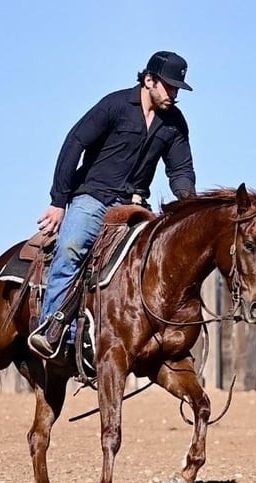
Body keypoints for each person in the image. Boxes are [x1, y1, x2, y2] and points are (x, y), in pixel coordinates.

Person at [28, 50, 197, 359]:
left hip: (135, 207)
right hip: (92, 197)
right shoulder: (115, 105)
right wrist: (58, 201)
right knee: (71, 249)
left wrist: (189, 205)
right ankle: (52, 329)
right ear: (149, 81)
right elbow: (74, 143)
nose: (174, 94)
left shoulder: (174, 124)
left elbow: (181, 170)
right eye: (169, 86)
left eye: (177, 89)